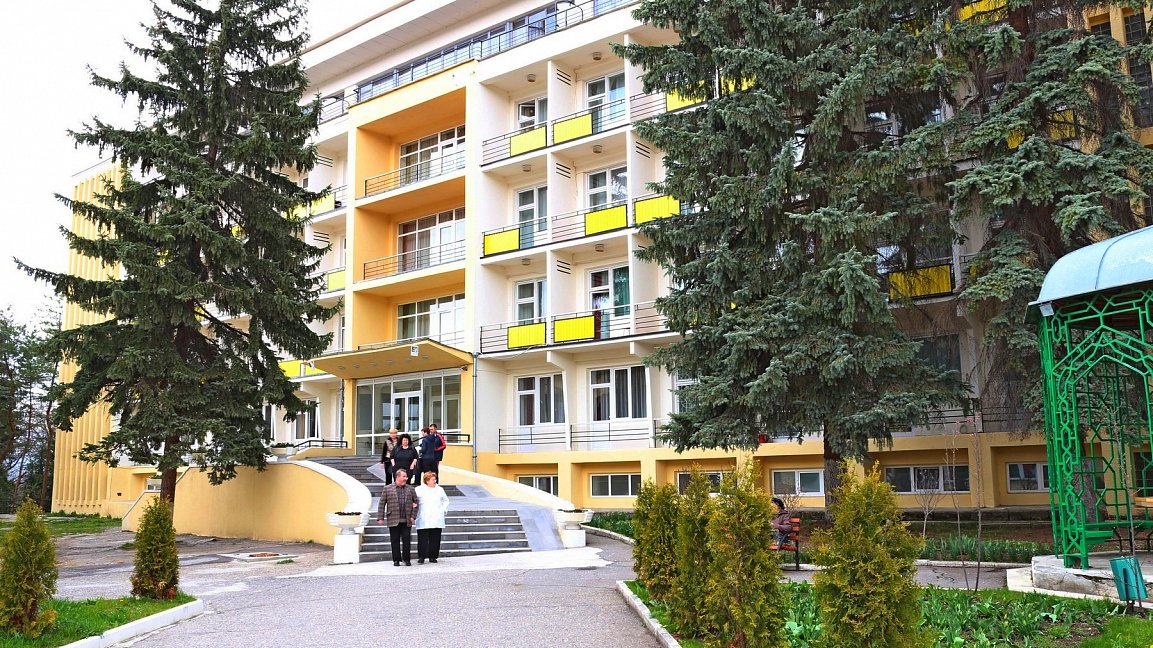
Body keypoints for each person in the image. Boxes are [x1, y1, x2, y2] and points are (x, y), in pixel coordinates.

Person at [377, 468, 418, 566]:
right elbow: (382, 503)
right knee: (394, 540)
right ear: (397, 477)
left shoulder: (411, 489)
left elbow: (416, 503)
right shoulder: (387, 488)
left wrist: (413, 516)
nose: (406, 478)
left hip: (407, 519)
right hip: (393, 518)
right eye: (404, 476)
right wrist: (380, 517)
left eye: (406, 476)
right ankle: (396, 560)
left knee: (407, 540)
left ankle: (406, 559)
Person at [414, 471, 450, 564]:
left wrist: (443, 509)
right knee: (422, 538)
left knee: (435, 538)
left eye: (435, 479)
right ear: (427, 481)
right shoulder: (419, 489)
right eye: (433, 479)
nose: (435, 481)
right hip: (424, 517)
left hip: (437, 516)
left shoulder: (440, 489)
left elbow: (446, 500)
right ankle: (422, 556)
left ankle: (433, 556)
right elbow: (414, 500)